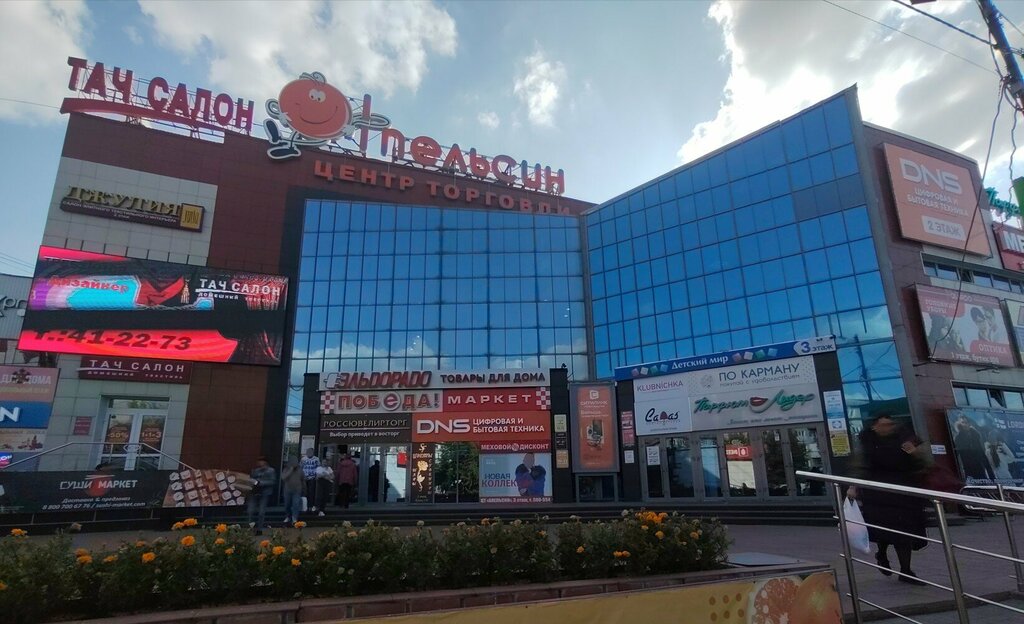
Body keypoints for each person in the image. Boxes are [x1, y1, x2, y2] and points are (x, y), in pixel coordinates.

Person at [851, 414, 927, 585]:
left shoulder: (904, 439)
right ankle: (882, 554)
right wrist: (853, 486)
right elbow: (860, 466)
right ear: (874, 427)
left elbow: (924, 464)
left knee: (903, 533)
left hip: (903, 492)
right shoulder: (867, 442)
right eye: (883, 425)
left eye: (890, 424)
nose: (887, 428)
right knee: (884, 529)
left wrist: (915, 453)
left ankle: (906, 571)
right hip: (877, 493)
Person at [953, 415, 994, 482]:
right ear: (960, 424)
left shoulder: (975, 435)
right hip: (968, 470)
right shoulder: (958, 438)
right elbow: (956, 456)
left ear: (969, 423)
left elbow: (982, 454)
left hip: (980, 469)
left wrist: (991, 476)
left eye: (966, 422)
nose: (965, 424)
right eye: (963, 422)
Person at [246, 456, 276, 532]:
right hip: (254, 492)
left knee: (261, 512)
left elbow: (272, 481)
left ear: (265, 462)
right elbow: (251, 479)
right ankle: (251, 527)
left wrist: (260, 482)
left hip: (264, 493)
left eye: (261, 461)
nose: (259, 463)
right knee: (250, 510)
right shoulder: (256, 470)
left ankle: (259, 528)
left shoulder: (271, 471)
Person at [281, 457, 304, 524]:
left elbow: (303, 480)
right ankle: (288, 516)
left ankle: (294, 518)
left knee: (296, 504)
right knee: (287, 504)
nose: (295, 463)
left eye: (296, 461)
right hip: (288, 490)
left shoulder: (300, 470)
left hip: (297, 490)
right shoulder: (286, 469)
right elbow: (283, 478)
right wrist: (291, 470)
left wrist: (304, 489)